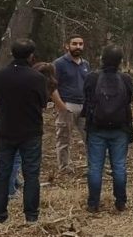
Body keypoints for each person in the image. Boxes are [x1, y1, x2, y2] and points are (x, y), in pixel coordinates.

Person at [0, 38, 48, 223]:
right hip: (30, 131)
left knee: (2, 173)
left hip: (5, 129)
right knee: (31, 174)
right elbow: (43, 103)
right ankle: (31, 216)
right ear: (31, 56)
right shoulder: (37, 78)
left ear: (12, 53)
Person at [81, 45, 133, 213]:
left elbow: (87, 99)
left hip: (97, 127)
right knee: (119, 166)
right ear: (120, 61)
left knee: (95, 166)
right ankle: (120, 202)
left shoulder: (92, 77)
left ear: (102, 59)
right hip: (120, 128)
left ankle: (93, 203)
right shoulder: (126, 79)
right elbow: (129, 100)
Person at [53, 34, 91, 173]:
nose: (78, 47)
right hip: (67, 104)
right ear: (67, 45)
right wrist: (61, 106)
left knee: (90, 137)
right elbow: (52, 87)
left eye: (80, 44)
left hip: (84, 106)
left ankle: (93, 166)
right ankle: (64, 168)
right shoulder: (59, 63)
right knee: (64, 138)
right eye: (74, 44)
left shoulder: (85, 64)